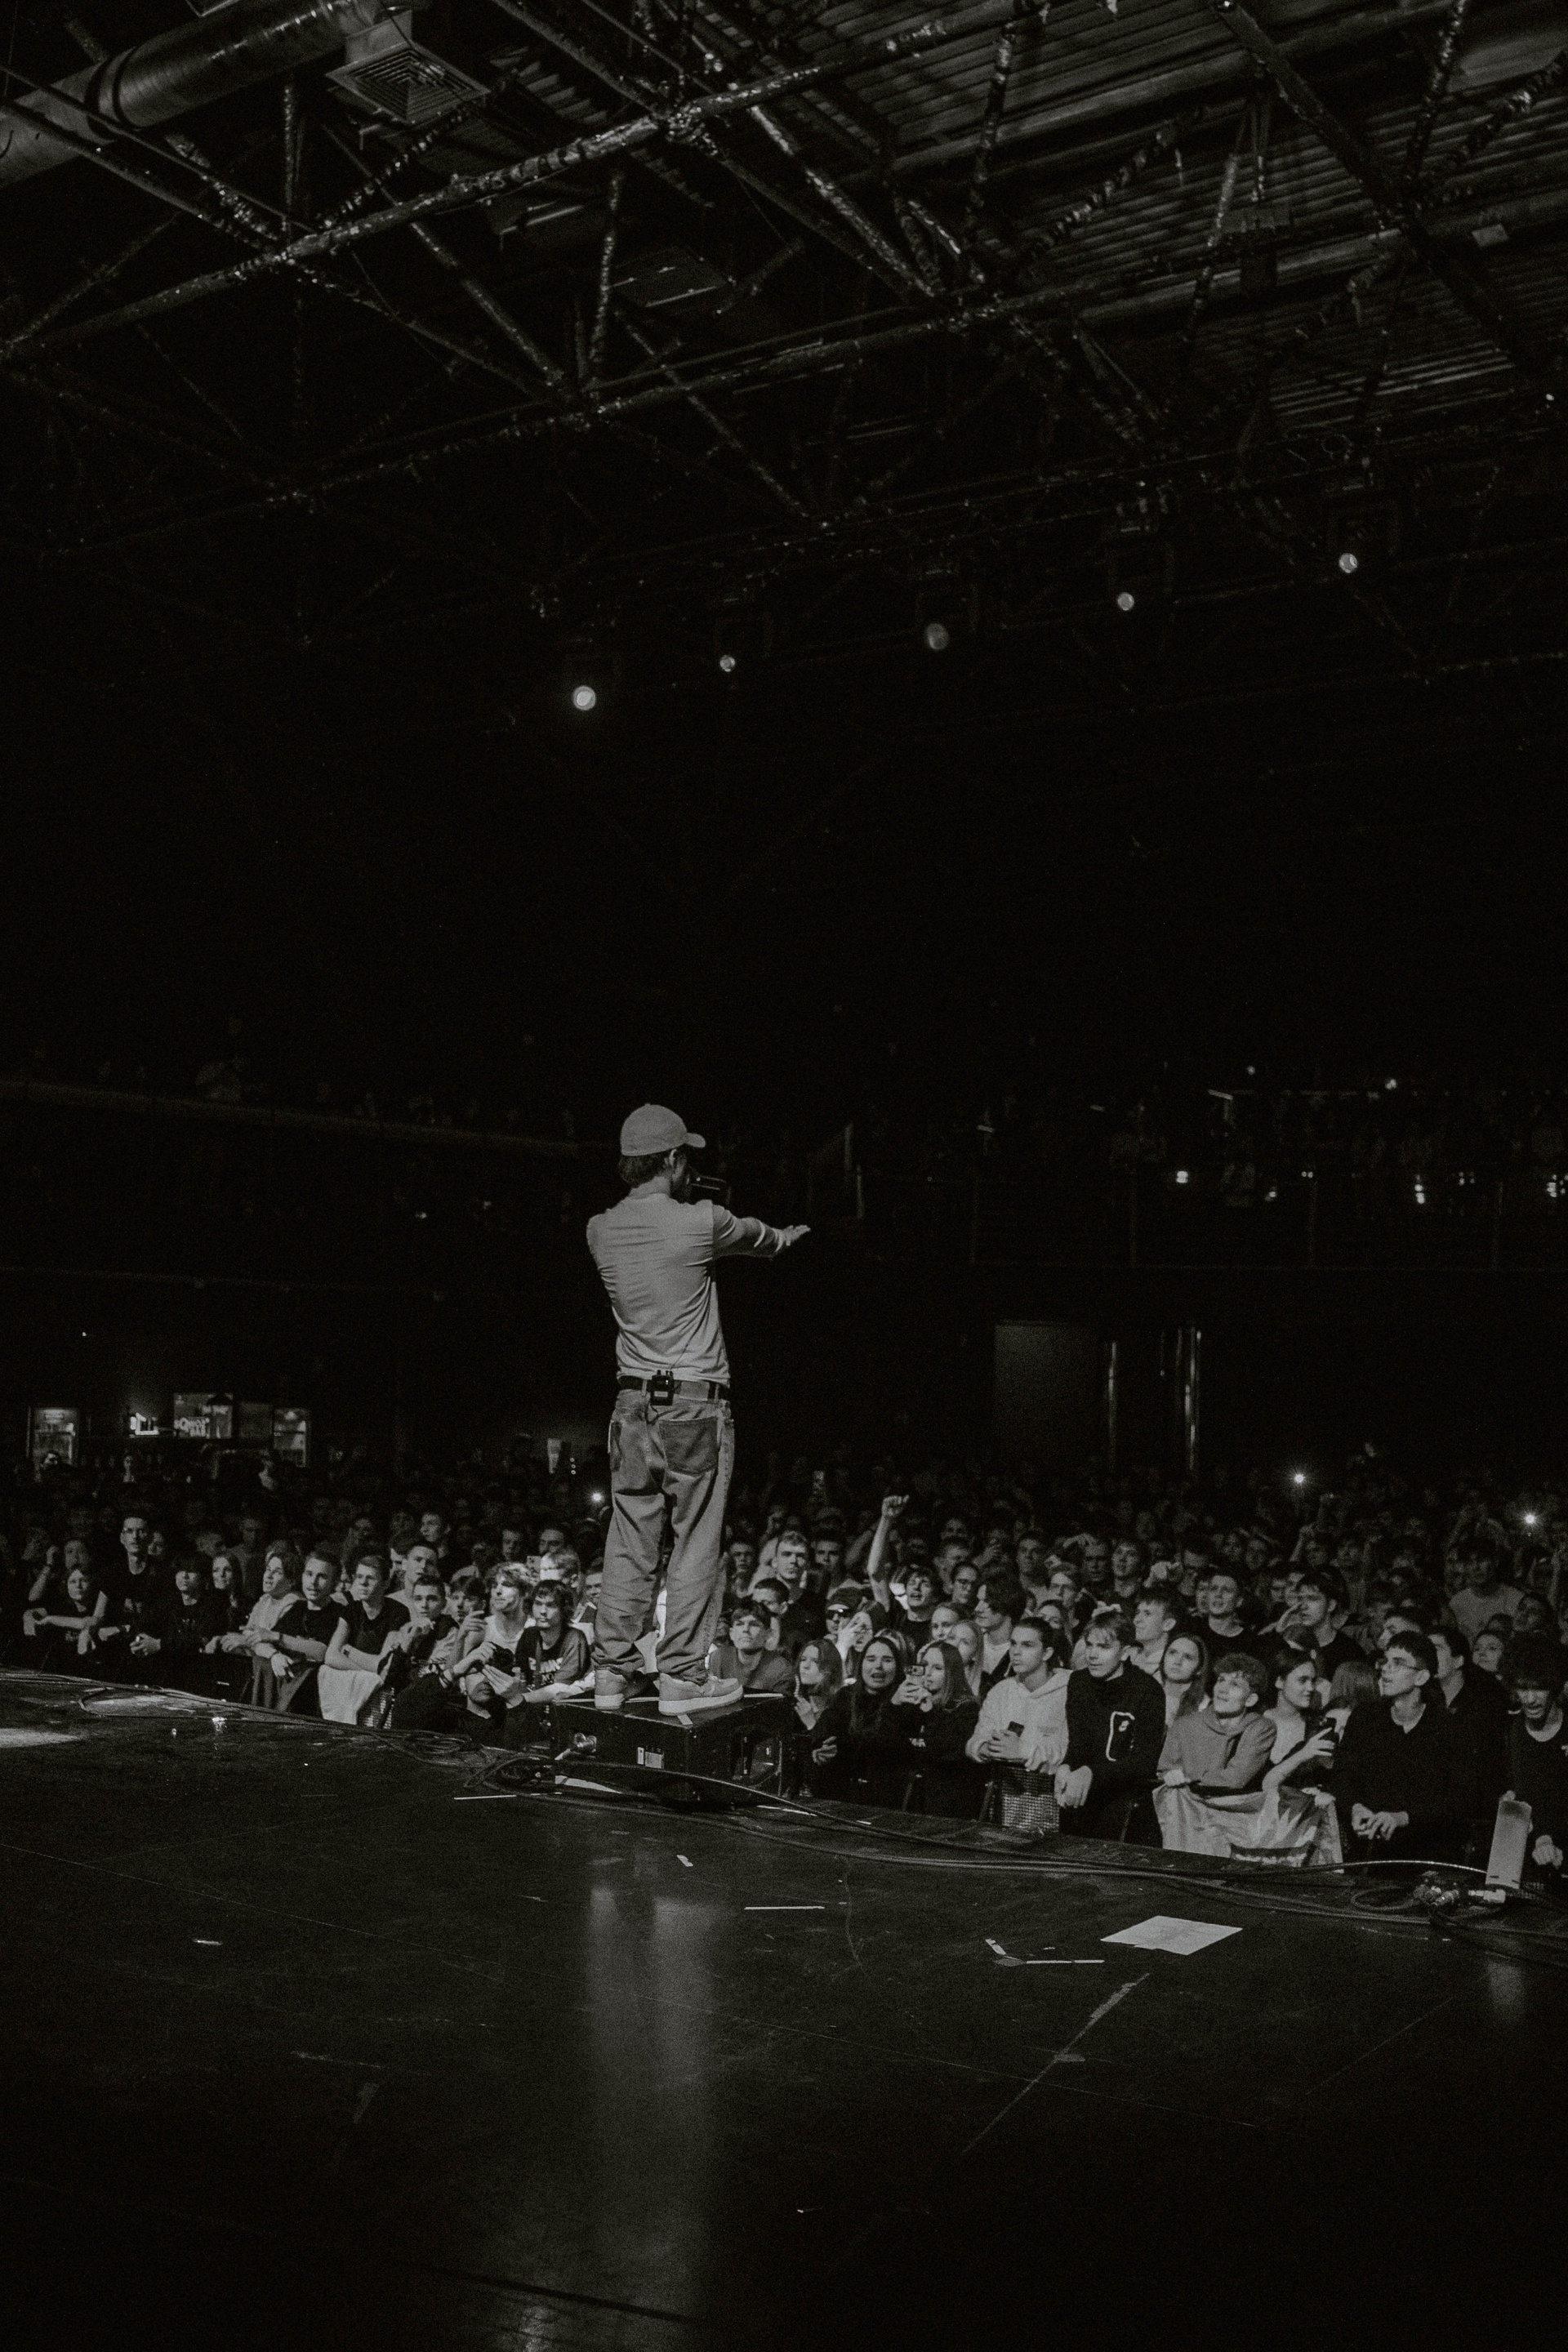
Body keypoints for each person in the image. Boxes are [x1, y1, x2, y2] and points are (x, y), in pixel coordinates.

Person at [587, 1103, 808, 1717]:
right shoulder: (703, 1221)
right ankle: (682, 1674)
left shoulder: (599, 1229)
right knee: (694, 1541)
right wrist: (786, 1238)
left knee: (629, 1539)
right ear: (672, 1159)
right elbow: (762, 1238)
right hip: (693, 1404)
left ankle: (611, 1673)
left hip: (631, 1405)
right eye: (686, 1157)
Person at [1332, 1632, 1469, 1862]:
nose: (1386, 1669)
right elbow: (1342, 1776)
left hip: (1425, 1853)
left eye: (1398, 1663)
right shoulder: (1365, 1718)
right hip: (1367, 1849)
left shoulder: (1448, 1729)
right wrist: (1355, 1807)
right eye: (1385, 1661)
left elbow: (1458, 1800)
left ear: (1421, 1677)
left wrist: (1403, 1818)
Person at [1054, 1609, 1165, 1841]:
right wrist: (1066, 1765)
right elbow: (1078, 1744)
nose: (1092, 1655)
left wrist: (1092, 1772)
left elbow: (1144, 1762)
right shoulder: (1079, 1683)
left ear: (1125, 1652)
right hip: (1082, 1803)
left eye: (1104, 1647)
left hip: (1125, 1808)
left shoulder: (1148, 1691)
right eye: (1089, 1645)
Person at [1428, 1623, 1510, 1855]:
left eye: (1436, 1649)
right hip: (1433, 1810)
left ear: (1458, 1661)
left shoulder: (1486, 1702)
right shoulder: (1423, 1700)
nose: (1427, 1655)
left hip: (1474, 1813)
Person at [806, 1634, 911, 1806]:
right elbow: (826, 1727)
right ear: (861, 1664)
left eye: (887, 1660)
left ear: (898, 1667)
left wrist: (894, 1706)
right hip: (842, 1795)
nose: (878, 1666)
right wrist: (821, 1747)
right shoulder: (846, 1696)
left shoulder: (905, 1702)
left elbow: (883, 1749)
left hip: (884, 1799)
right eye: (871, 1659)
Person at [965, 1619, 1071, 1775]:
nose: (1016, 1652)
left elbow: (1070, 1755)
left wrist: (1022, 1751)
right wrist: (985, 1748)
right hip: (1003, 1784)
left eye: (1027, 1645)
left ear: (1047, 1653)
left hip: (1049, 1787)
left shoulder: (1068, 1691)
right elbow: (977, 1739)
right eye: (1013, 1644)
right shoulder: (1001, 1691)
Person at [1157, 1653, 1275, 1793]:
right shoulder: (1184, 1725)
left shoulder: (1261, 1728)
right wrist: (1169, 1775)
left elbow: (1235, 1779)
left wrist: (1189, 1777)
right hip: (1185, 1802)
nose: (1222, 1689)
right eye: (1221, 1680)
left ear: (1250, 1700)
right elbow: (1164, 1771)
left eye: (1235, 1684)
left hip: (1231, 1804)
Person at [1500, 1635, 1568, 1876]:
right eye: (1523, 1688)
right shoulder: (1509, 1732)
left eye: (1539, 1688)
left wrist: (1549, 1838)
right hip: (1522, 1857)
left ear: (1555, 1686)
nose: (1530, 1699)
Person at [318, 1552, 409, 1726]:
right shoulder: (351, 1610)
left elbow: (383, 1664)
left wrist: (349, 1651)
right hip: (357, 1683)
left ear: (385, 1583)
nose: (363, 1583)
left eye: (370, 1578)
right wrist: (367, 1673)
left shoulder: (398, 1612)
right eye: (359, 1577)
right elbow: (331, 1656)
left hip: (386, 1691)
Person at [901, 1641, 984, 1819]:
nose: (928, 1673)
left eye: (938, 1668)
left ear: (952, 1673)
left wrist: (930, 1713)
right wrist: (894, 1704)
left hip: (947, 1806)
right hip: (909, 1800)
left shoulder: (966, 1709)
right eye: (924, 1665)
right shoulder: (910, 1703)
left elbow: (948, 1753)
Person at [786, 1638, 845, 1797]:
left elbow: (833, 1765)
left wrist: (812, 1724)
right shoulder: (792, 1705)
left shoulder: (840, 1708)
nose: (805, 1666)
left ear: (830, 1669)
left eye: (815, 1661)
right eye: (803, 1660)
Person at [708, 1597, 794, 1695]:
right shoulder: (719, 1658)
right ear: (731, 1633)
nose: (746, 1630)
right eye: (740, 1624)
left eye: (754, 1624)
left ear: (768, 1634)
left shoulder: (781, 1669)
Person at [1448, 1539, 1526, 1646]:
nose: (1476, 1567)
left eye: (1481, 1560)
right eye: (1470, 1562)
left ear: (1495, 1562)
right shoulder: (1457, 1603)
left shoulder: (1515, 1600)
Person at [972, 1572, 1022, 1694]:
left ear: (1006, 1603)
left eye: (987, 1602)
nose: (978, 1609)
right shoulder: (971, 1643)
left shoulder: (1021, 1651)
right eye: (978, 1601)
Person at [1160, 1630, 1209, 1724]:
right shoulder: (1145, 1690)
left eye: (1188, 1657)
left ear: (1199, 1669)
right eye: (1172, 1652)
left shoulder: (1204, 1706)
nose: (1177, 1662)